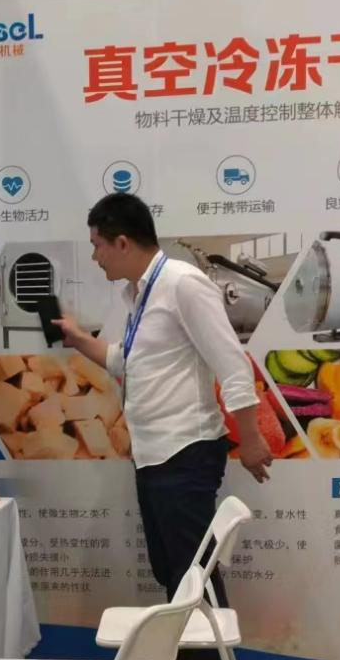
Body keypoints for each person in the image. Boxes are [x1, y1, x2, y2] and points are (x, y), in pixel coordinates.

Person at [57, 194, 271, 634]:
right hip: (153, 456)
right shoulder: (139, 293)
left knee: (195, 579)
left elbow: (232, 363)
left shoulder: (183, 284)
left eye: (97, 245)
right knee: (173, 571)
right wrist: (78, 339)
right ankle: (186, 658)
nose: (95, 257)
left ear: (122, 242)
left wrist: (250, 438)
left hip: (185, 454)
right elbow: (125, 361)